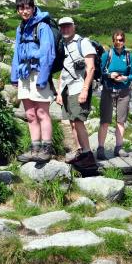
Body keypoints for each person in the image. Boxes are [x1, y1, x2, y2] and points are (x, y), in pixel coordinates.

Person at [11, 0, 56, 163]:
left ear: (33, 7)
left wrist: (43, 78)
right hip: (24, 74)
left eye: (27, 7)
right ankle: (34, 148)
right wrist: (14, 76)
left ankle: (46, 148)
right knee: (30, 113)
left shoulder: (42, 27)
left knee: (42, 112)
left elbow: (48, 54)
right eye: (21, 8)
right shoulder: (20, 28)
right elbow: (16, 52)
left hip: (38, 73)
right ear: (18, 10)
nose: (25, 11)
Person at [55, 17, 97, 170]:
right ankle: (80, 152)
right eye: (62, 27)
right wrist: (59, 92)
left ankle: (88, 156)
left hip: (79, 87)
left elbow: (91, 68)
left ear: (74, 27)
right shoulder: (62, 45)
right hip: (67, 89)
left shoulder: (83, 43)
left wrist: (85, 90)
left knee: (78, 121)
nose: (65, 29)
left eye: (68, 26)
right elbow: (63, 71)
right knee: (72, 122)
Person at [97, 30, 132, 160]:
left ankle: (118, 147)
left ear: (124, 40)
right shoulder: (106, 55)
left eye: (121, 40)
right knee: (105, 121)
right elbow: (100, 72)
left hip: (124, 91)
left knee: (121, 121)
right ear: (112, 41)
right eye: (116, 40)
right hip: (108, 89)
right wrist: (110, 75)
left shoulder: (128, 56)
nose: (118, 42)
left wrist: (125, 77)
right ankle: (101, 148)